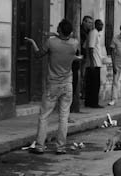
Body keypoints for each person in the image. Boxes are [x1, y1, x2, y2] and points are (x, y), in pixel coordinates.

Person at [24, 19, 81, 154]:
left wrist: (33, 43)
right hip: (67, 84)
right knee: (64, 117)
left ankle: (40, 145)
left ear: (59, 30)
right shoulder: (74, 44)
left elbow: (38, 55)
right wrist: (57, 34)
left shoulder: (51, 42)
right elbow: (68, 38)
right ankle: (60, 147)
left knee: (44, 116)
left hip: (53, 84)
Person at [84, 19, 105, 108]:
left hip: (95, 62)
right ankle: (93, 103)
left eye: (102, 25)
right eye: (100, 25)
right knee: (94, 84)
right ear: (96, 25)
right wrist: (92, 62)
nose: (102, 26)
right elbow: (90, 47)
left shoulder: (94, 33)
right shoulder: (94, 33)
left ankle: (89, 102)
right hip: (94, 63)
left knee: (91, 84)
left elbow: (85, 46)